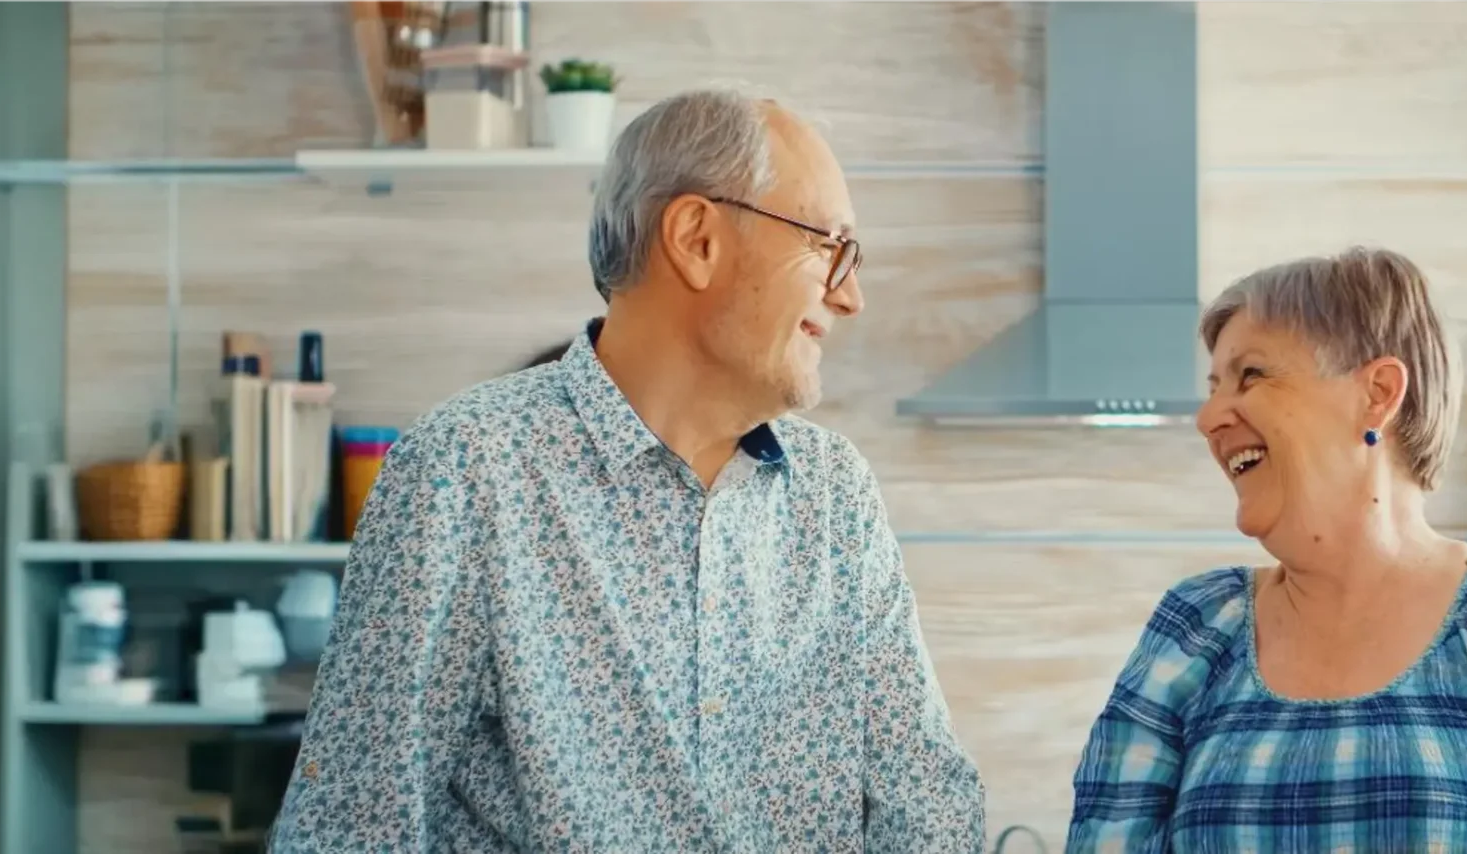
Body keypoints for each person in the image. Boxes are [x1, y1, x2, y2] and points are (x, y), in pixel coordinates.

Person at [271, 88, 986, 853]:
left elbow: (928, 805)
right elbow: (349, 826)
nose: (851, 295)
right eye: (829, 246)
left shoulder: (835, 492)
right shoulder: (464, 471)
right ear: (696, 238)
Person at [1066, 248, 1467, 852]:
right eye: (1214, 384)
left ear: (1378, 393)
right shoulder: (1199, 623)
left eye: (1251, 375)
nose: (1208, 417)